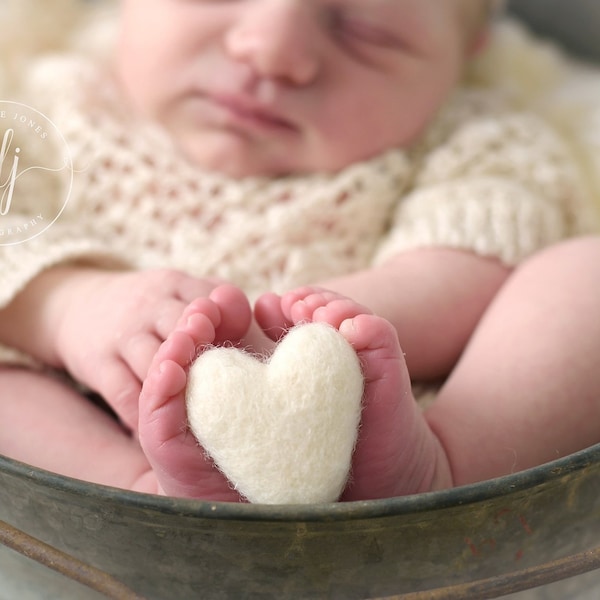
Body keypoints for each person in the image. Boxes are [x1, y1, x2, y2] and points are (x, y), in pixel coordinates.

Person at [0, 0, 599, 502]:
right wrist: (69, 306)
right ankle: (141, 497)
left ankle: (446, 470)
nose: (270, 51)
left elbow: (471, 263)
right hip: (105, 426)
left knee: (583, 282)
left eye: (367, 30)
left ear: (467, 50)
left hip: (382, 428)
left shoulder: (473, 137)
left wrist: (301, 348)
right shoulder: (52, 105)